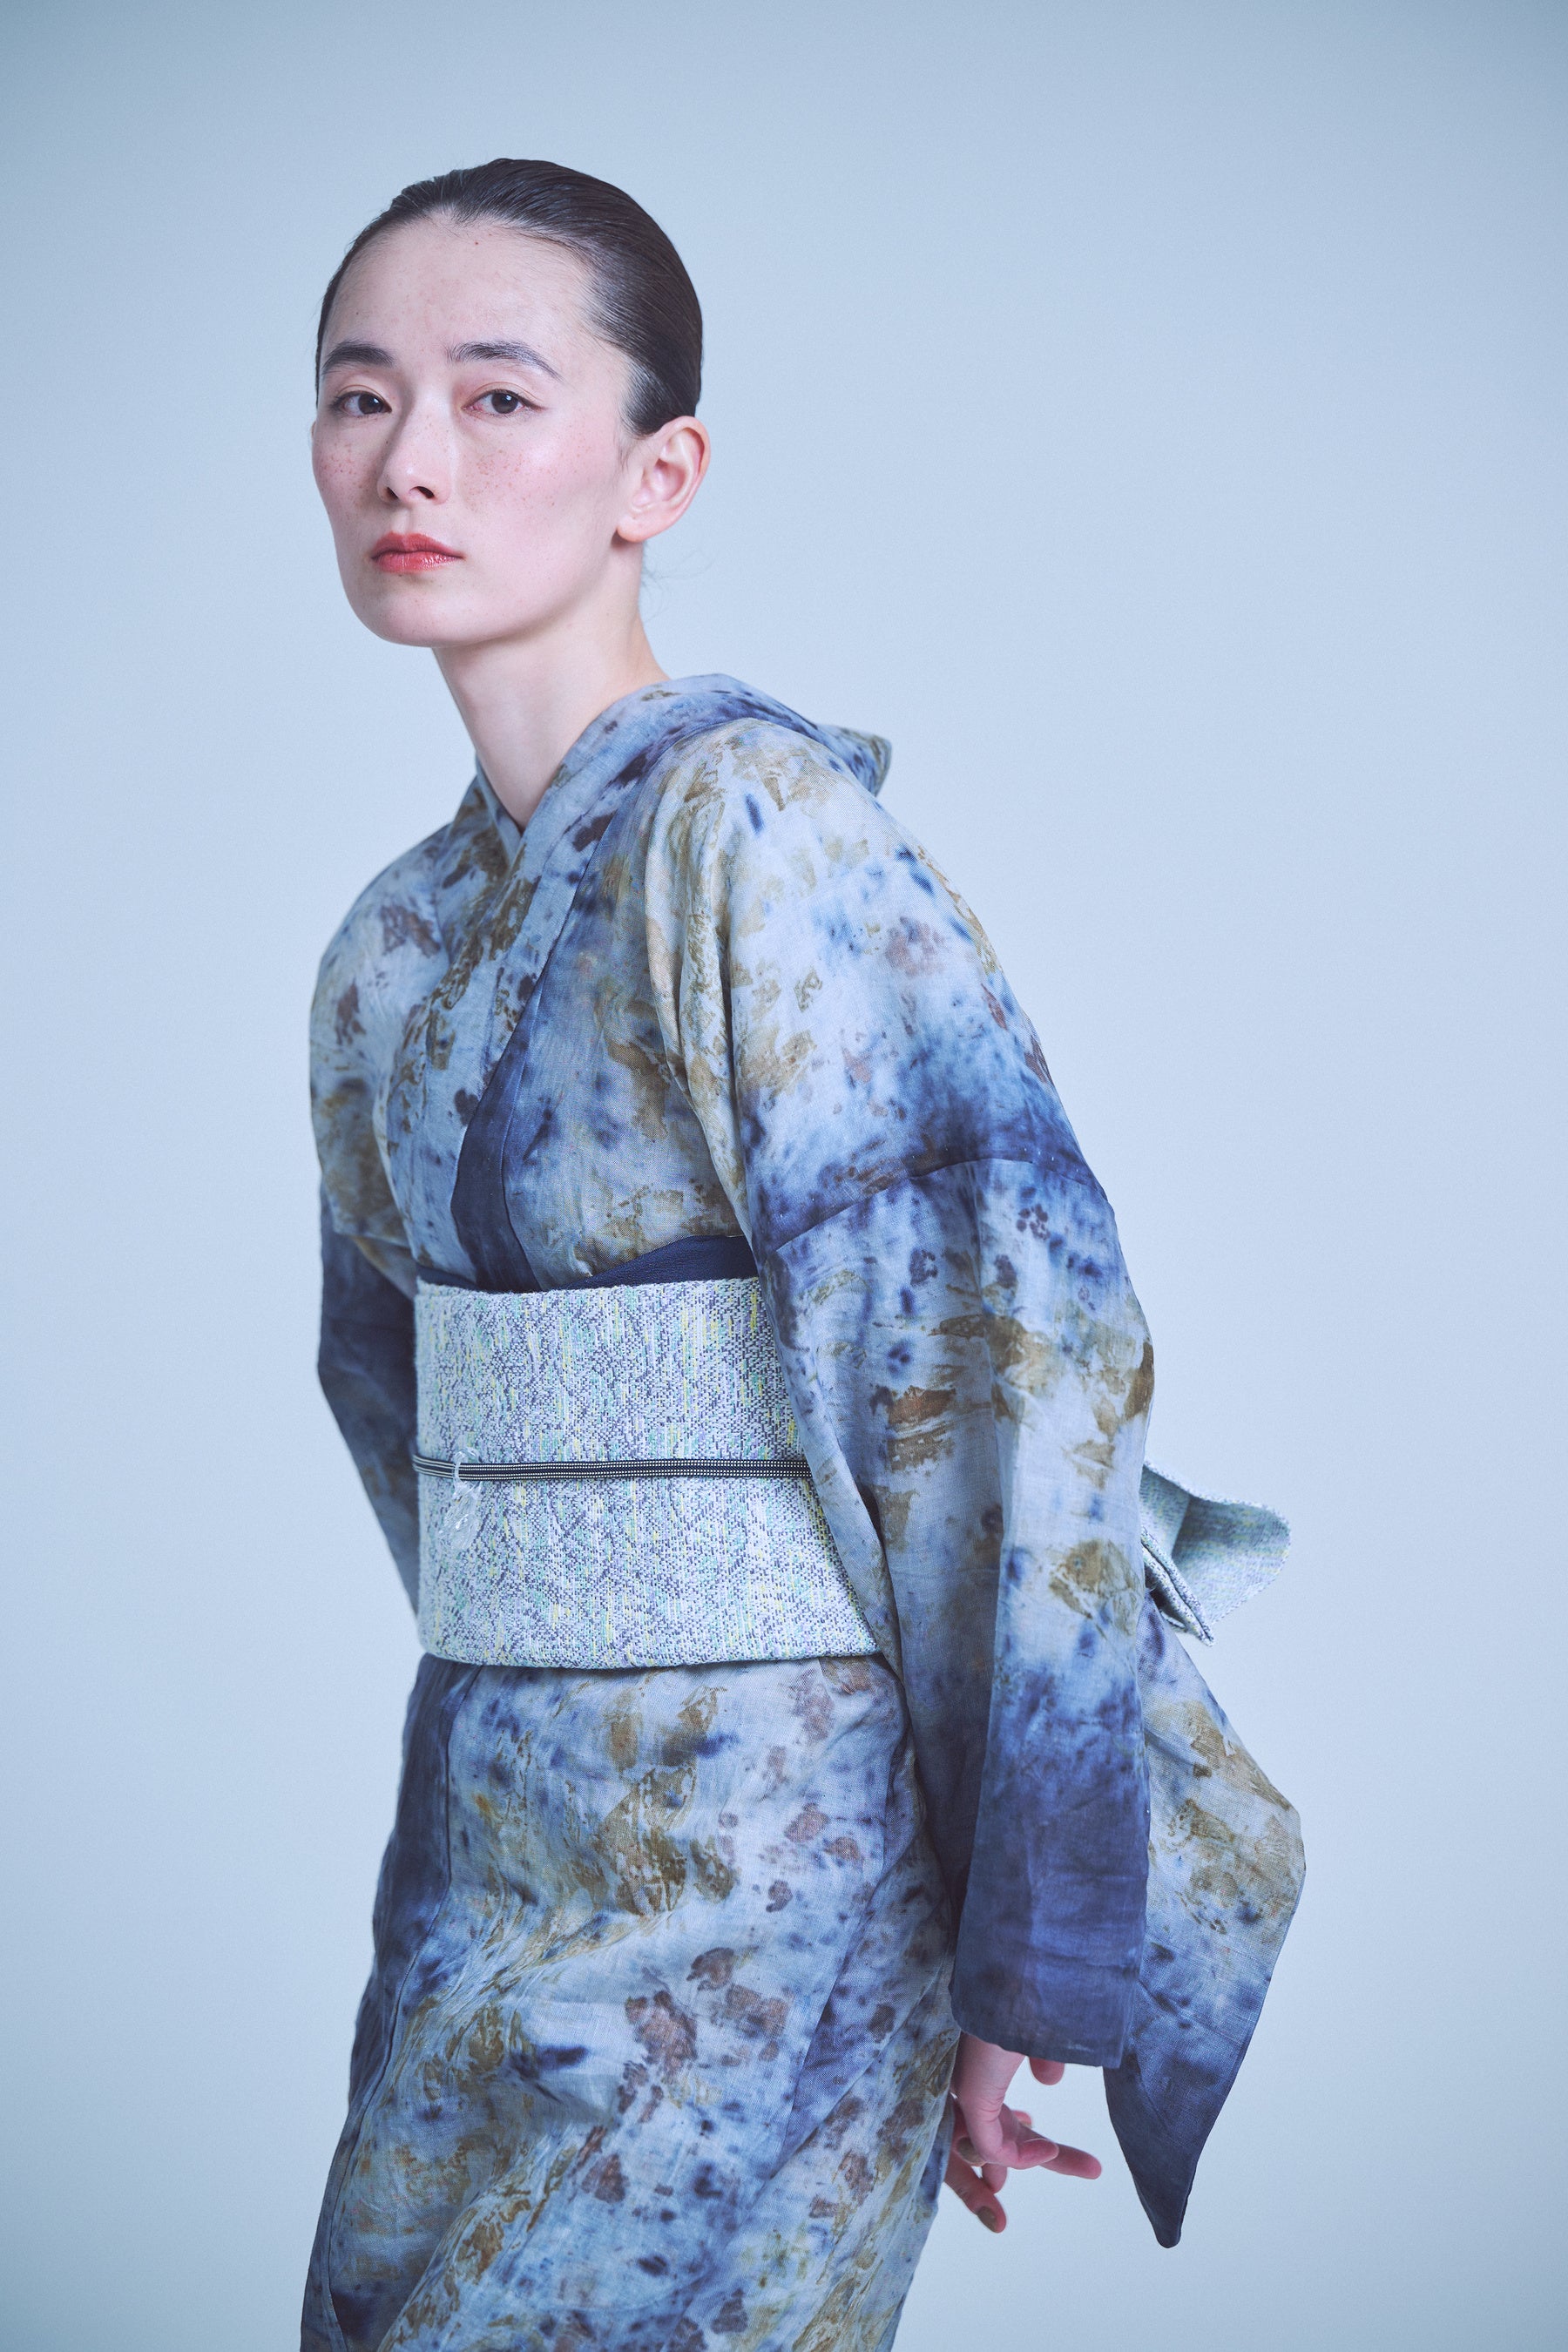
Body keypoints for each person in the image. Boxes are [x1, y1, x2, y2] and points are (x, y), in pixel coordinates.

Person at [302, 159, 1303, 2352]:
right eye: (362, 397)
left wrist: (1026, 1952)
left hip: (786, 1870)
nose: (412, 461)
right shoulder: (390, 949)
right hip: (488, 1841)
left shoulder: (761, 833)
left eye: (496, 397)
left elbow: (1009, 1380)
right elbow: (392, 1411)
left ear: (658, 472)